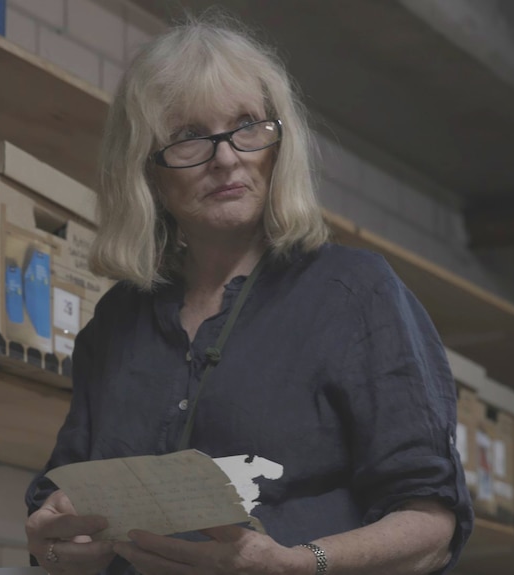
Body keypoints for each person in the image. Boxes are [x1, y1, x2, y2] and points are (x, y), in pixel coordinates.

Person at [25, 14, 473, 575]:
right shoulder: (118, 318)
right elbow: (61, 500)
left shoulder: (355, 294)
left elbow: (432, 523)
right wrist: (55, 542)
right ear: (147, 170)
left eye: (247, 126)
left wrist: (297, 564)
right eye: (188, 136)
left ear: (278, 142)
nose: (227, 156)